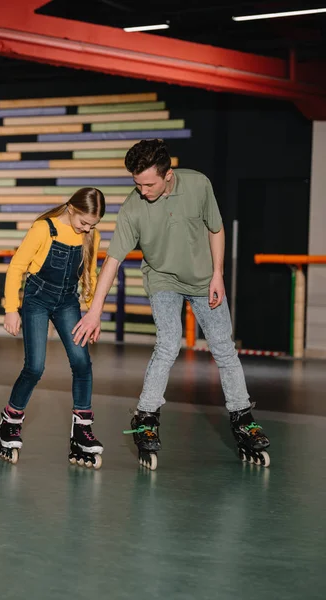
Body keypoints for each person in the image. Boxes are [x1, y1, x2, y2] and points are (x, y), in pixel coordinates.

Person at [72, 139, 270, 469]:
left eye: (148, 184)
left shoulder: (198, 185)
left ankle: (242, 417)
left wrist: (218, 274)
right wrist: (94, 311)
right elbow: (113, 261)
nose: (142, 190)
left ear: (168, 175)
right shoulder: (133, 207)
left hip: (204, 278)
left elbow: (216, 229)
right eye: (136, 183)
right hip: (163, 279)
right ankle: (146, 416)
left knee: (223, 347)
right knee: (167, 343)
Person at [0, 187, 106, 469]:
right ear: (71, 208)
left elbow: (91, 275)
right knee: (35, 367)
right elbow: (16, 268)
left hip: (68, 301)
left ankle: (82, 430)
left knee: (82, 363)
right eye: (84, 222)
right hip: (37, 299)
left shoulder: (91, 235)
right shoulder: (43, 229)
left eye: (93, 225)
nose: (87, 229)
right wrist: (11, 309)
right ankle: (10, 421)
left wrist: (93, 314)